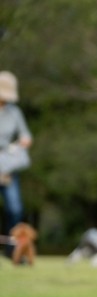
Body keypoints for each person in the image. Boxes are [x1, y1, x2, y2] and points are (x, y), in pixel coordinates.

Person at [0, 71, 33, 257]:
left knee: (15, 209)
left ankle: (13, 251)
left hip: (7, 167)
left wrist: (23, 141)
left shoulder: (14, 112)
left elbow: (25, 134)